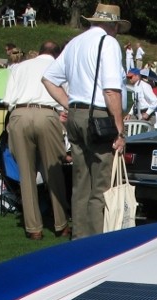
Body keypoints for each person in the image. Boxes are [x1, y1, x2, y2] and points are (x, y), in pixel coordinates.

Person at [43, 3, 129, 239]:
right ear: (112, 25)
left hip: (76, 115)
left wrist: (69, 103)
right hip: (99, 117)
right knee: (101, 184)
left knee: (81, 183)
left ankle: (80, 239)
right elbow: (112, 90)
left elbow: (49, 79)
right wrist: (120, 131)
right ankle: (97, 240)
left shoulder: (74, 43)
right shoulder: (108, 43)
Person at [6, 40, 71, 240]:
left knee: (26, 174)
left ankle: (33, 227)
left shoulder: (18, 67)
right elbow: (65, 100)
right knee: (54, 170)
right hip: (47, 114)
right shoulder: (59, 67)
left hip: (19, 114)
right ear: (57, 54)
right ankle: (61, 224)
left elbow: (8, 100)